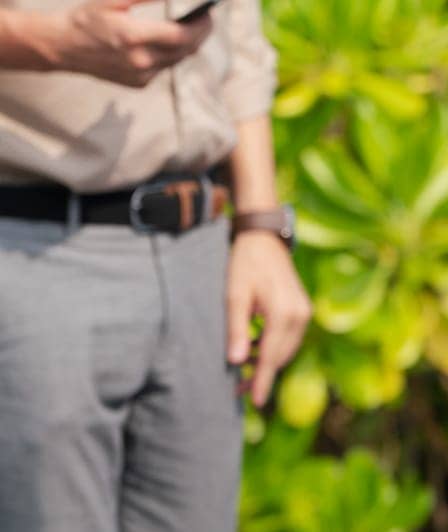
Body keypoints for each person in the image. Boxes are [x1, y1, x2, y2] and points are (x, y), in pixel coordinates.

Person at [0, 0, 309, 529]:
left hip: (200, 254)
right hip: (34, 252)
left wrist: (261, 223)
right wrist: (45, 40)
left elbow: (237, 27)